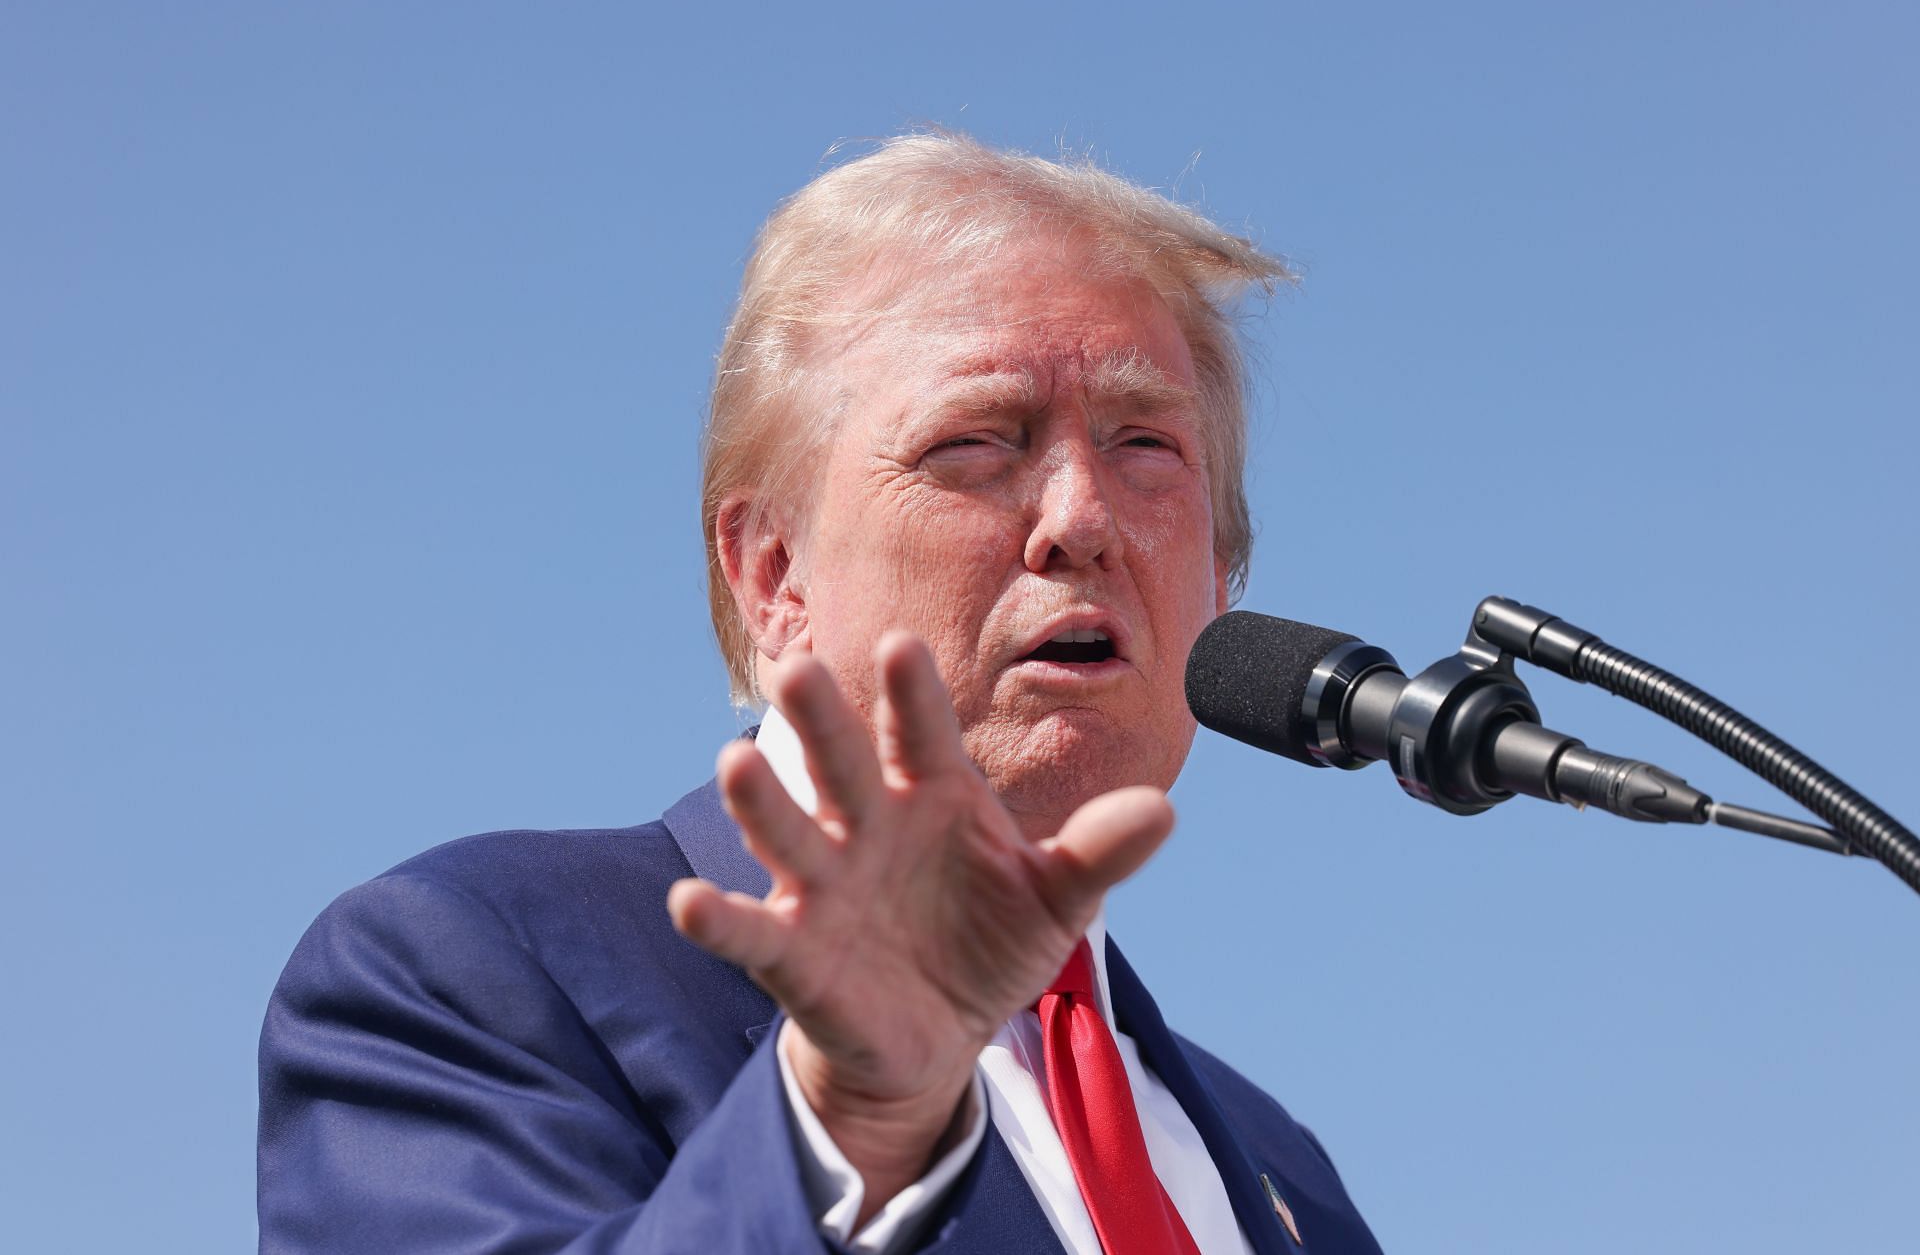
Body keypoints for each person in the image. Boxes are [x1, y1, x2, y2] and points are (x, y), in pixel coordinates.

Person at [258, 131, 1384, 1255]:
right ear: (773, 573)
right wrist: (845, 1121)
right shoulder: (467, 971)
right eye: (978, 441)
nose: (1083, 517)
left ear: (1221, 577)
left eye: (1145, 442)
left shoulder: (1287, 1171)